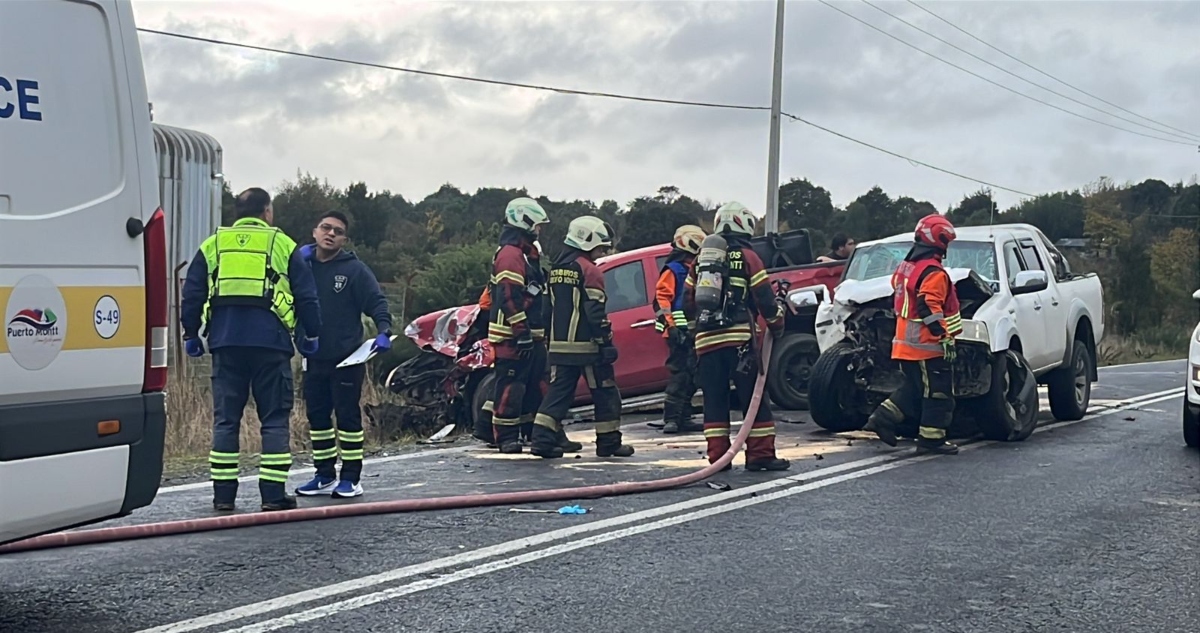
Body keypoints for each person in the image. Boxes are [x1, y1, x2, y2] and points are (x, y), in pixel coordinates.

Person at [180, 187, 322, 512]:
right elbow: (306, 294)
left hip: (225, 344)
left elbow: (193, 292)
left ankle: (223, 497)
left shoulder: (213, 244)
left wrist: (191, 332)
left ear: (238, 212)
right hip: (270, 344)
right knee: (273, 419)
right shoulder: (282, 244)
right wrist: (311, 333)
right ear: (267, 212)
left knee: (226, 420)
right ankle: (272, 495)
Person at [293, 211, 393, 499]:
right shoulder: (302, 266)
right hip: (313, 355)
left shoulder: (354, 270)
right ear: (315, 231)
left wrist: (384, 330)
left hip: (347, 357)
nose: (331, 234)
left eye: (338, 231)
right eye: (326, 227)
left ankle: (351, 477)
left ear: (344, 239)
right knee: (317, 418)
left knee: (347, 417)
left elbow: (376, 301)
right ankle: (323, 474)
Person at [685, 202, 790, 472]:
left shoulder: (700, 260)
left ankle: (718, 459)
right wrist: (777, 323)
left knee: (714, 400)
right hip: (740, 341)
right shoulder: (748, 256)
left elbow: (687, 302)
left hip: (706, 343)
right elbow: (765, 298)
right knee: (753, 399)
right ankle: (760, 455)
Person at [531, 215, 636, 459]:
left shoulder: (556, 270)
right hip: (587, 347)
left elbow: (546, 310)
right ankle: (608, 442)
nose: (600, 253)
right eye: (599, 247)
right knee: (606, 391)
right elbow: (594, 311)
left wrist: (549, 339)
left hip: (559, 347)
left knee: (558, 394)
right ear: (588, 241)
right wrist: (605, 341)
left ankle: (542, 440)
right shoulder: (590, 271)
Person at [487, 198, 581, 455]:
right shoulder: (510, 254)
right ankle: (505, 437)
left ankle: (543, 433)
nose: (539, 229)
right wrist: (521, 332)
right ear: (524, 222)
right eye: (537, 225)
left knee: (539, 386)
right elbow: (508, 296)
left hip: (532, 334)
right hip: (512, 335)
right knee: (511, 387)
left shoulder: (526, 253)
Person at [863, 214, 963, 455]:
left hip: (905, 344)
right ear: (940, 242)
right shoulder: (934, 273)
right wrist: (944, 336)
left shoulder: (908, 267)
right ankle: (932, 439)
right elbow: (928, 307)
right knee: (938, 394)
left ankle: (882, 418)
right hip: (927, 346)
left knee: (915, 389)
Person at [655, 224, 706, 434]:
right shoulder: (674, 269)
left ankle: (684, 416)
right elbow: (661, 299)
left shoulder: (693, 268)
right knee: (679, 375)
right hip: (677, 332)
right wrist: (672, 326)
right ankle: (672, 418)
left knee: (692, 375)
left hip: (693, 331)